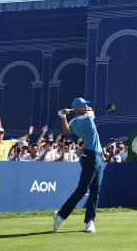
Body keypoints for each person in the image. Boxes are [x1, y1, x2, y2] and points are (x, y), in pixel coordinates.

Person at [54, 98, 104, 234]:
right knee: (82, 190)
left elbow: (67, 131)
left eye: (86, 104)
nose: (87, 106)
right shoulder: (88, 117)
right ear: (80, 108)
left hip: (97, 156)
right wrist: (71, 111)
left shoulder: (74, 122)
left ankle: (90, 221)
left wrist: (64, 115)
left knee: (96, 190)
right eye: (84, 105)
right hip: (90, 156)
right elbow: (90, 110)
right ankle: (61, 215)